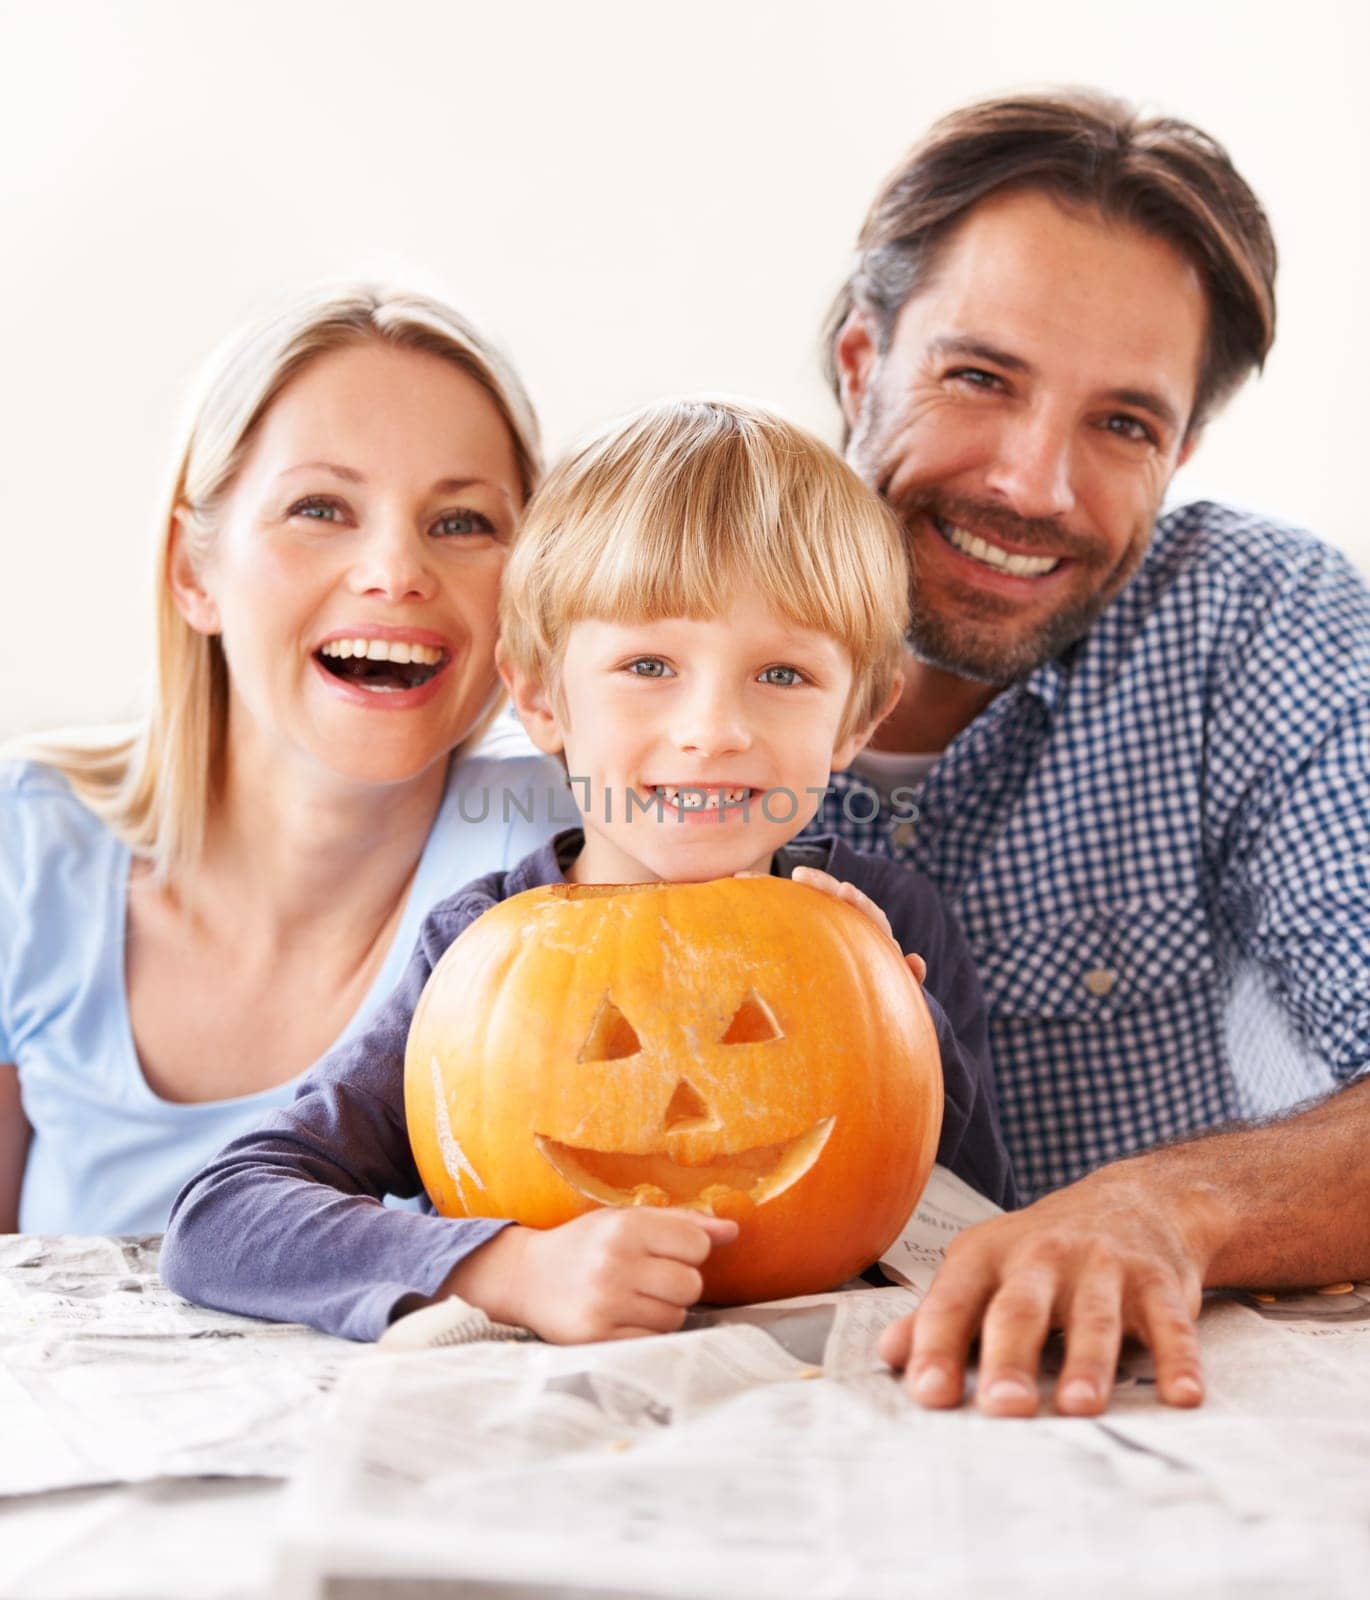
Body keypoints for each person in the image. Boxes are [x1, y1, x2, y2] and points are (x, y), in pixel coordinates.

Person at [160, 398, 1016, 1343]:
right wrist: (506, 1269)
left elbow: (981, 1224)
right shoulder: (479, 953)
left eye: (782, 676)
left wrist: (901, 1020)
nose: (714, 730)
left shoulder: (889, 920)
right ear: (539, 695)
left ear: (857, 719)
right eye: (649, 664)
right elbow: (222, 1217)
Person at [800, 90, 1370, 1416]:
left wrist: (1167, 1205)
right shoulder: (648, 603)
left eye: (1120, 424)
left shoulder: (1260, 628)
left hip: (1116, 1436)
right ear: (857, 362)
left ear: (1181, 448)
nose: (1032, 486)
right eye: (979, 377)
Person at [0, 285, 570, 1235]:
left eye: (464, 522)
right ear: (194, 572)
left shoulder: (563, 858)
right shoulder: (27, 849)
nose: (396, 570)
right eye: (321, 507)